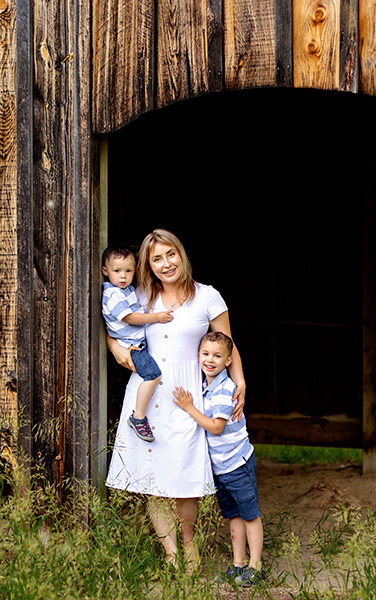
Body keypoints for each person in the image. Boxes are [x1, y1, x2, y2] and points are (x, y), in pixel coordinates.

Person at [105, 229, 246, 572]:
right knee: (154, 477)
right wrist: (116, 349)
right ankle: (170, 553)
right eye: (156, 258)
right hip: (147, 394)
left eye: (170, 254)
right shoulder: (138, 296)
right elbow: (112, 329)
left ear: (181, 255)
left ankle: (188, 544)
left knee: (183, 477)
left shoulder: (207, 296)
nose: (165, 263)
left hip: (188, 395)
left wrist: (240, 380)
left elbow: (227, 343)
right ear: (147, 265)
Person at [173, 331, 264, 587]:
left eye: (217, 356)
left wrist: (189, 408)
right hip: (222, 467)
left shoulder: (225, 389)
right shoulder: (205, 385)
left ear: (228, 361)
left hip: (237, 463)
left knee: (249, 515)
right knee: (233, 515)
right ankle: (238, 564)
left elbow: (216, 427)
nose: (209, 360)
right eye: (205, 354)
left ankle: (256, 566)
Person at [101, 246, 174, 442]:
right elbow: (131, 318)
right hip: (132, 346)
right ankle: (138, 417)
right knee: (152, 375)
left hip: (136, 341)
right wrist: (157, 317)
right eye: (117, 271)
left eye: (128, 271)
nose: (123, 276)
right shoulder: (113, 294)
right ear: (105, 271)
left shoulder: (127, 290)